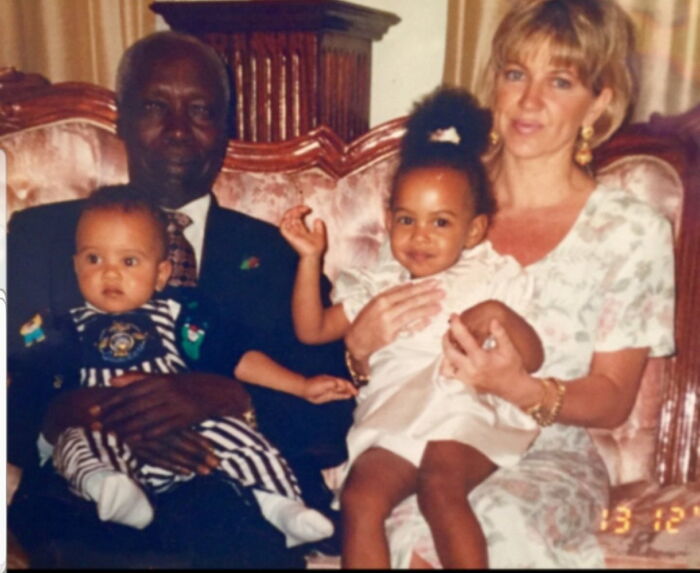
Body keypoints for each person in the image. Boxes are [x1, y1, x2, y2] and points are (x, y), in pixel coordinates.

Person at [341, 0, 675, 568]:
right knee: (395, 524)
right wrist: (357, 350)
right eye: (516, 73)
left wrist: (521, 388)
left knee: (498, 527)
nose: (529, 100)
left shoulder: (629, 230)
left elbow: (614, 399)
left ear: (600, 102)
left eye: (560, 80)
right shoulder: (441, 195)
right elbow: (383, 350)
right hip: (415, 439)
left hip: (548, 456)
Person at [7, 31, 353, 568]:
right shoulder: (41, 237)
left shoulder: (279, 253)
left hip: (232, 498)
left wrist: (228, 399)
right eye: (153, 107)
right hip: (86, 499)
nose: (176, 131)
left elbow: (333, 412)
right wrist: (64, 414)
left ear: (224, 128)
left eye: (199, 111)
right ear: (120, 119)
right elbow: (17, 378)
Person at [280, 87, 547, 568]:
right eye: (407, 219)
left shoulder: (489, 275)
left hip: (462, 409)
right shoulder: (376, 282)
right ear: (388, 222)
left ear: (473, 230)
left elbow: (534, 357)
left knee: (439, 487)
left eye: (440, 222)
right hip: (394, 412)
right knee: (362, 499)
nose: (420, 236)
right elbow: (312, 329)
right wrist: (309, 260)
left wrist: (498, 315)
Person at [29, 185, 353, 547]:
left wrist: (300, 386)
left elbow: (235, 357)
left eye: (129, 261)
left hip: (200, 448)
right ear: (75, 265)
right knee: (79, 444)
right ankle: (114, 492)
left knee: (243, 441)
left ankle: (280, 504)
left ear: (162, 273)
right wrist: (68, 413)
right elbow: (28, 393)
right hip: (103, 445)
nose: (110, 273)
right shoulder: (60, 325)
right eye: (93, 259)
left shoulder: (183, 314)